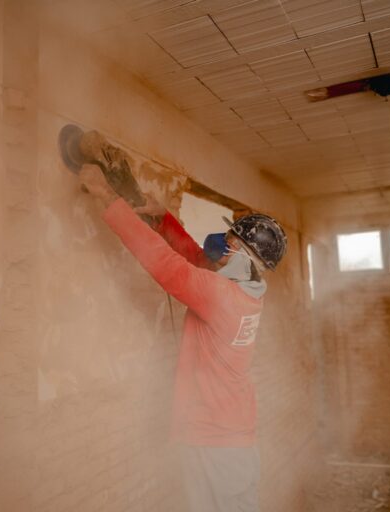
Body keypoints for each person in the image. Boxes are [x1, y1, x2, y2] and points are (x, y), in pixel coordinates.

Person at [78, 164, 287, 512]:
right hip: (231, 440)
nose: (223, 246)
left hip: (214, 443)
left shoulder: (222, 296)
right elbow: (197, 263)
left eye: (231, 243)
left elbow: (167, 265)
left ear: (246, 257)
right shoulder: (246, 292)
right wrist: (163, 219)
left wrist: (108, 197)